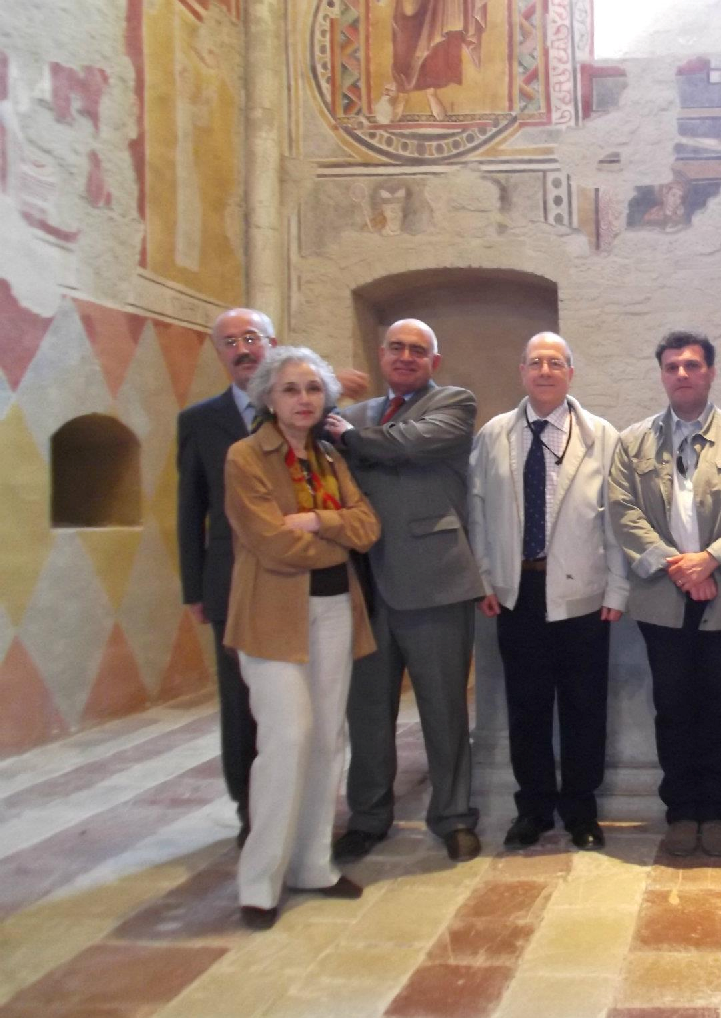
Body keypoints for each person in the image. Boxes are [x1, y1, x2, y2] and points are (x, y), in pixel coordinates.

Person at [223, 346, 381, 930]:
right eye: (291, 389)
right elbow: (271, 542)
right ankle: (259, 881)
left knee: (328, 739)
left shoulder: (328, 457)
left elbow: (367, 525)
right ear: (269, 397)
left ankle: (313, 864)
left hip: (335, 609)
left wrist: (319, 520)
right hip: (271, 615)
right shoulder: (246, 456)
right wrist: (338, 541)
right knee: (288, 738)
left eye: (314, 389)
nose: (304, 399)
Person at [610, 332, 721, 858]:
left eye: (692, 365)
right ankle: (682, 812)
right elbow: (622, 511)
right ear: (661, 374)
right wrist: (679, 568)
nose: (682, 373)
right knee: (673, 707)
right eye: (672, 366)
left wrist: (711, 560)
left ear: (710, 372)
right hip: (662, 597)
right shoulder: (632, 441)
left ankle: (718, 812)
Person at [325, 319, 485, 864]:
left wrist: (347, 436)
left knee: (444, 708)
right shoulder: (353, 414)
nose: (407, 356)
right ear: (381, 354)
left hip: (435, 578)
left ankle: (454, 817)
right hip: (364, 585)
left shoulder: (453, 403)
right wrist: (328, 394)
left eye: (419, 350)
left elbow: (410, 444)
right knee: (367, 712)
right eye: (397, 347)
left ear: (434, 361)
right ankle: (368, 817)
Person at [469, 332, 628, 851]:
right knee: (527, 706)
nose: (544, 370)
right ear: (521, 371)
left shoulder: (601, 435)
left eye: (555, 362)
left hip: (584, 593)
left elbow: (617, 516)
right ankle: (533, 809)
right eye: (535, 361)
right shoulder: (495, 434)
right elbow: (478, 510)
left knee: (584, 706)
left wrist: (618, 588)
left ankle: (581, 811)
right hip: (516, 591)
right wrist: (484, 577)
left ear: (570, 373)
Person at [177, 309, 277, 846]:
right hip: (230, 580)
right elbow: (190, 508)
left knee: (294, 703)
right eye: (230, 342)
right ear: (218, 353)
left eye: (251, 338)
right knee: (240, 703)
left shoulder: (302, 406)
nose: (242, 349)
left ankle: (296, 805)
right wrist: (194, 588)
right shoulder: (199, 421)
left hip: (297, 579)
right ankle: (250, 810)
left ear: (271, 344)